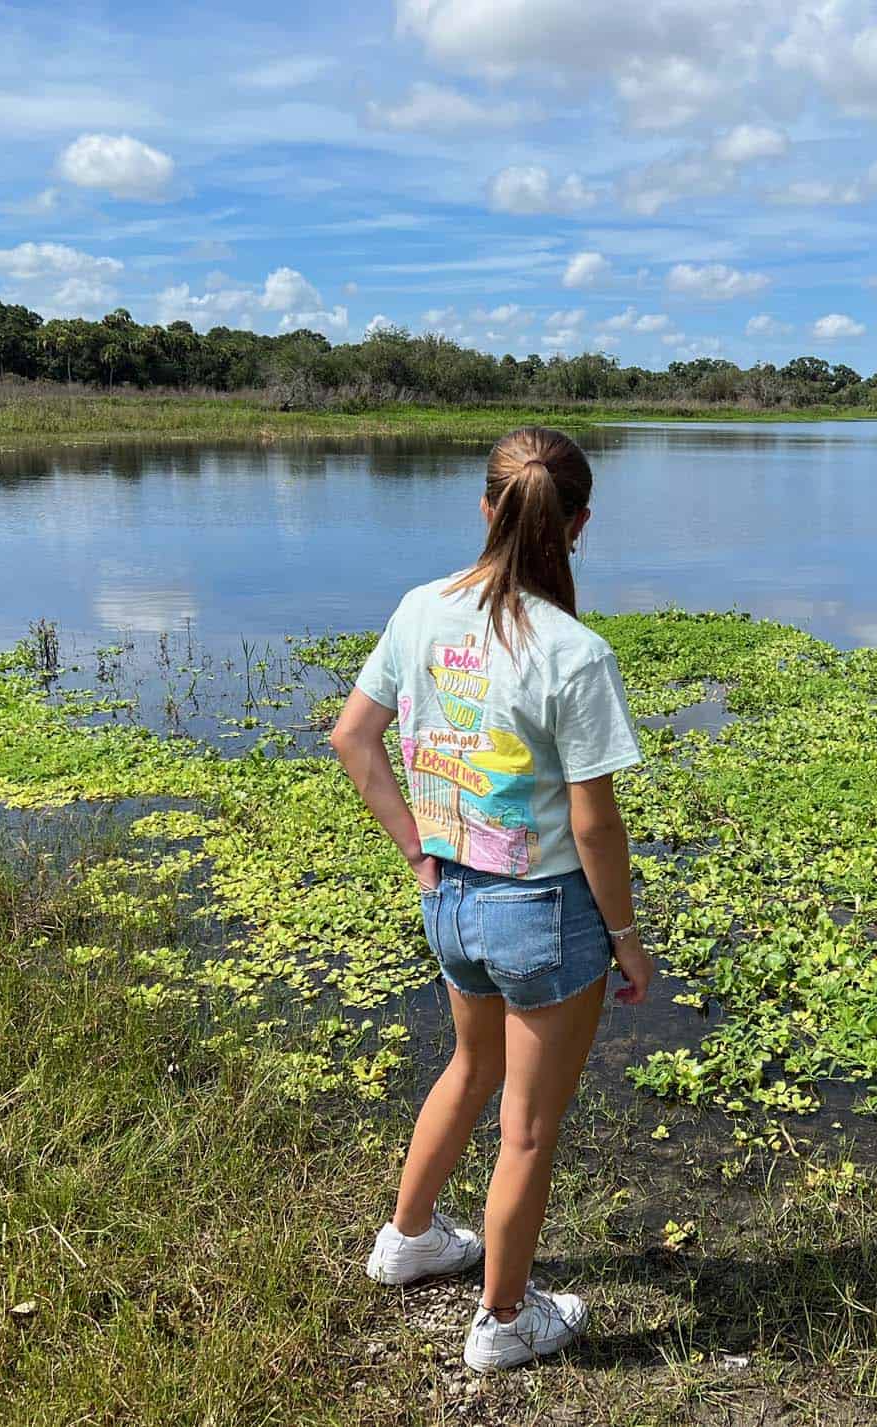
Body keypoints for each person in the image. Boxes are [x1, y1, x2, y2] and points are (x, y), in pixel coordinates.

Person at [330, 425, 655, 1373]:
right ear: (580, 525)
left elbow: (355, 738)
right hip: (542, 914)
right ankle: (506, 1321)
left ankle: (409, 1239)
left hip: (453, 902)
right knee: (528, 1126)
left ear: (484, 507)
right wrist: (627, 938)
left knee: (469, 1070)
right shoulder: (574, 651)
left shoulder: (420, 611)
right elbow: (594, 827)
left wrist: (419, 854)